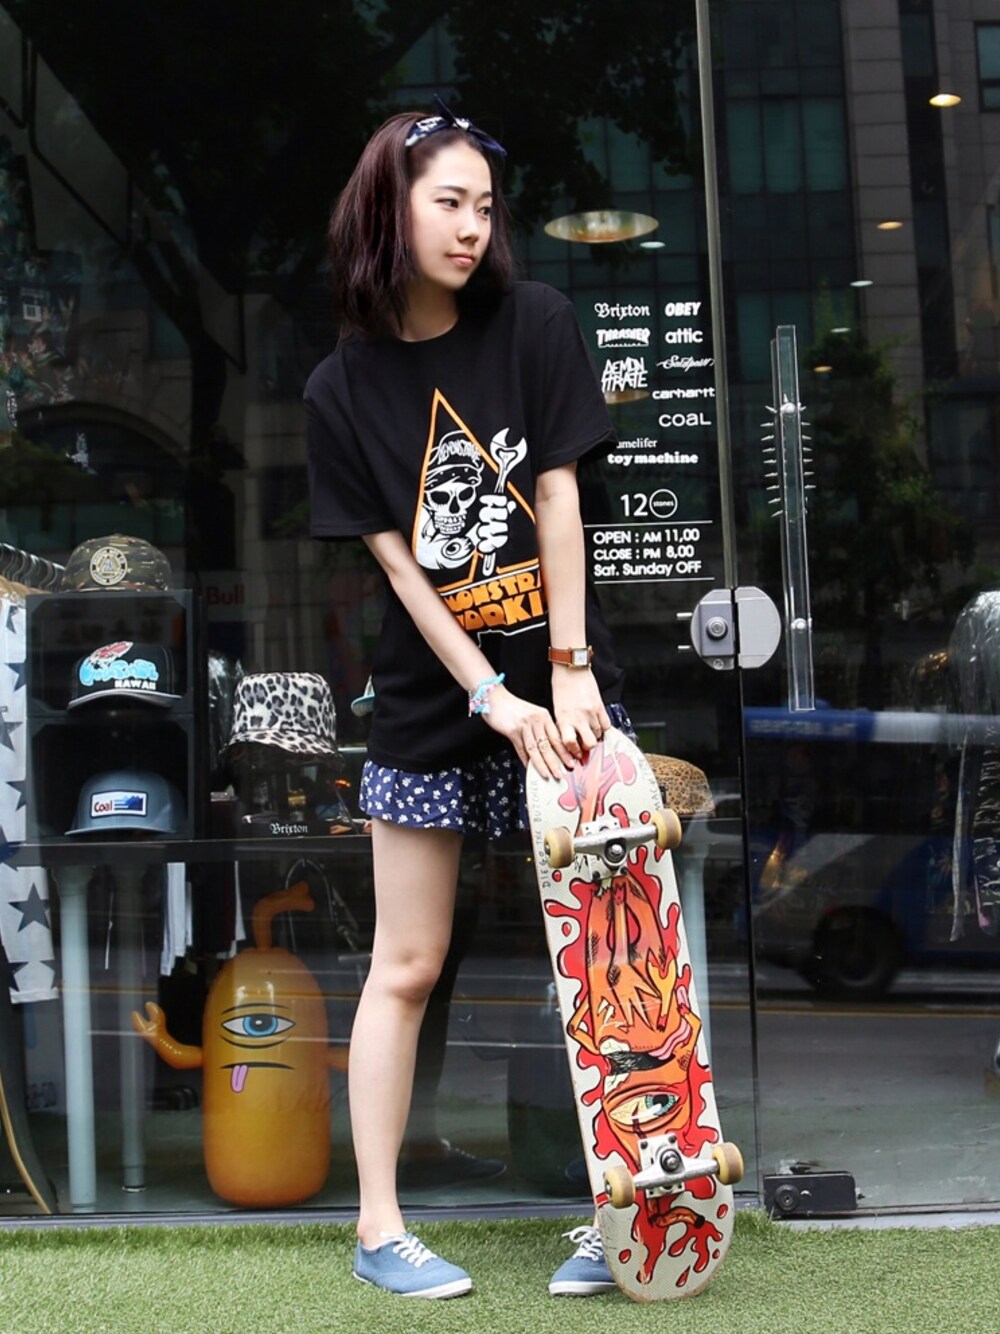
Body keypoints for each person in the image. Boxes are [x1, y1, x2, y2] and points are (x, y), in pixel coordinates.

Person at [306, 97, 629, 1299]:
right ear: (387, 208)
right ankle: (379, 1228)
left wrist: (568, 666)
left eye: (484, 207)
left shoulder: (533, 322)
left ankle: (629, 1206)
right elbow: (400, 569)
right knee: (408, 961)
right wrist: (491, 693)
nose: (470, 226)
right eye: (447, 201)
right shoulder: (340, 389)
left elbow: (557, 497)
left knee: (606, 949)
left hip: (565, 679)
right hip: (435, 698)